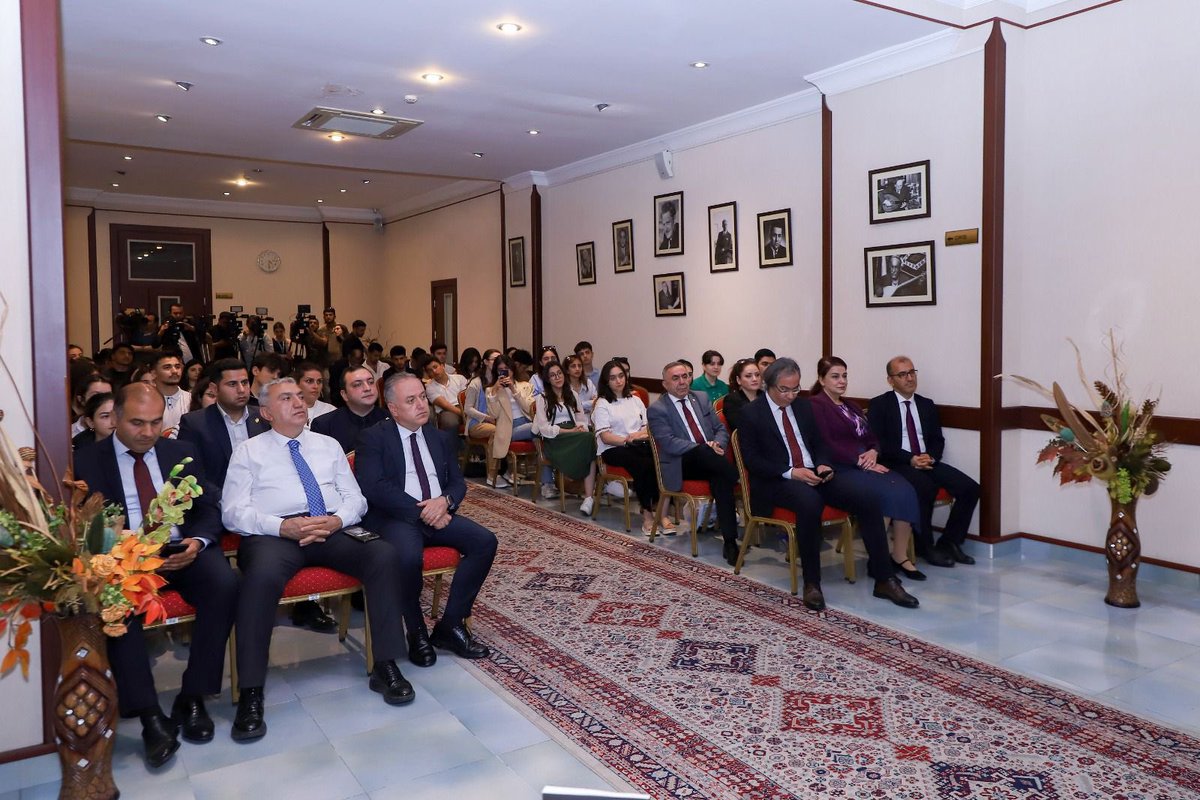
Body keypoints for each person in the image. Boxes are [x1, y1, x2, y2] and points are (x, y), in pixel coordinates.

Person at [222, 378, 414, 741]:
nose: (298, 402)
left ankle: (385, 665)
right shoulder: (249, 452)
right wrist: (282, 526)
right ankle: (250, 691)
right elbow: (233, 513)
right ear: (265, 412)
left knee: (382, 554)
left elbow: (355, 498)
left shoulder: (328, 446)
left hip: (330, 527)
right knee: (257, 579)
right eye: (286, 398)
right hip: (274, 535)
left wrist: (337, 519)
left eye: (300, 396)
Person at [73, 384, 237, 766]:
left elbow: (206, 509)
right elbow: (82, 527)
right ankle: (149, 716)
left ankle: (193, 697)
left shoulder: (180, 452)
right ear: (114, 417)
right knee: (115, 603)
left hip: (182, 551)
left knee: (226, 584)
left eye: (154, 423)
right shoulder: (86, 461)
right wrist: (126, 551)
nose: (147, 432)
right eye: (137, 423)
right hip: (125, 559)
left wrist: (198, 541)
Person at [736, 358, 918, 611]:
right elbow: (753, 461)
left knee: (868, 498)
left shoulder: (803, 407)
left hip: (814, 473)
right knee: (810, 502)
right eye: (784, 390)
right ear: (768, 386)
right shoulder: (751, 413)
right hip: (777, 479)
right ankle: (812, 583)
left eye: (796, 388)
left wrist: (822, 464)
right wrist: (791, 472)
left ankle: (884, 578)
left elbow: (820, 444)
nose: (790, 395)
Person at [355, 372, 497, 666]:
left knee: (484, 542)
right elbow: (374, 486)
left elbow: (457, 482)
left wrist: (444, 502)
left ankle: (451, 625)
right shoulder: (373, 437)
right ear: (393, 408)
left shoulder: (438, 437)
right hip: (397, 517)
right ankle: (416, 631)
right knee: (407, 558)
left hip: (438, 511)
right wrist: (423, 511)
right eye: (411, 400)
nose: (422, 405)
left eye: (422, 396)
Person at [808, 356, 927, 582]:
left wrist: (873, 452)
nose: (841, 381)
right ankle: (878, 561)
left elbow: (872, 437)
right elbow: (826, 443)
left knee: (905, 490)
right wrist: (859, 460)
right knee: (880, 495)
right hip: (841, 469)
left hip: (866, 465)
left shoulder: (850, 405)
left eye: (844, 376)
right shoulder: (816, 406)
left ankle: (899, 555)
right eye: (835, 376)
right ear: (822, 380)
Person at [868, 356, 979, 567]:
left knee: (970, 488)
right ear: (890, 380)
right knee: (924, 487)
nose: (909, 378)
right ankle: (925, 546)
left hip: (926, 460)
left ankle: (950, 542)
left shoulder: (926, 404)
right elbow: (879, 443)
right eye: (902, 374)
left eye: (912, 372)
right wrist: (910, 459)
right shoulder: (880, 405)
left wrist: (932, 456)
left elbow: (937, 439)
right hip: (898, 463)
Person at [648, 361, 741, 564]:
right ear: (664, 384)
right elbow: (669, 443)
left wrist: (716, 444)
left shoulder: (700, 397)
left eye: (685, 376)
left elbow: (720, 429)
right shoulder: (658, 409)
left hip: (711, 460)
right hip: (682, 463)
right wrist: (703, 448)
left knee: (721, 480)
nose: (682, 382)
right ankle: (738, 477)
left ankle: (730, 542)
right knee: (711, 459)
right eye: (676, 378)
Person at [593, 360, 673, 535]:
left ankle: (662, 511)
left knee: (662, 459)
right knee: (642, 465)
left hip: (638, 443)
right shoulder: (602, 403)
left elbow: (647, 426)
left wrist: (637, 436)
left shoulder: (635, 399)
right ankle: (647, 515)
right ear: (606, 381)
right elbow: (605, 436)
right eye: (613, 378)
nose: (618, 381)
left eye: (621, 376)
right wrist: (627, 440)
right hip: (613, 448)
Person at [177, 358, 270, 490]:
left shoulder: (265, 417)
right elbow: (190, 475)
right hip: (217, 503)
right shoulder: (195, 424)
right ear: (214, 389)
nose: (241, 389)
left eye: (244, 382)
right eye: (232, 384)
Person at [534, 361, 596, 510]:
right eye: (553, 375)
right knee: (590, 441)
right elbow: (544, 428)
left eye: (559, 373)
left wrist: (580, 428)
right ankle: (592, 491)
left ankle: (589, 498)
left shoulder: (572, 394)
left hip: (574, 433)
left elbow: (581, 419)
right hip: (555, 438)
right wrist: (568, 431)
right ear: (548, 379)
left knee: (591, 440)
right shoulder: (542, 398)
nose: (557, 377)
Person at [311, 364, 390, 453]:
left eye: (371, 382)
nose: (367, 388)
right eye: (357, 384)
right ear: (344, 394)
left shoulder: (393, 420)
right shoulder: (324, 425)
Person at [485, 353, 535, 487]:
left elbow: (529, 408)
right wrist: (495, 392)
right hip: (509, 428)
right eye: (500, 370)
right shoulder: (491, 390)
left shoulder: (524, 385)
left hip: (527, 422)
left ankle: (547, 480)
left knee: (540, 432)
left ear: (512, 369)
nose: (505, 373)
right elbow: (493, 414)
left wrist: (513, 389)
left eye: (507, 369)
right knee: (539, 428)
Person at [464, 348, 503, 483]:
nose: (497, 363)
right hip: (477, 423)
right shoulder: (476, 383)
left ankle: (508, 471)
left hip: (496, 420)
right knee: (496, 431)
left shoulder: (500, 380)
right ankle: (492, 474)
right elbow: (467, 409)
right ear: (486, 362)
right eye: (494, 360)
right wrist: (487, 418)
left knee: (509, 429)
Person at [421, 353, 468, 431]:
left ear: (442, 366)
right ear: (428, 374)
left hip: (464, 407)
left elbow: (468, 397)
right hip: (448, 411)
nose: (434, 371)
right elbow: (445, 405)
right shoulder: (430, 388)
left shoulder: (459, 378)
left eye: (435, 367)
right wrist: (464, 414)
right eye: (430, 370)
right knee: (449, 421)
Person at [152, 350, 189, 438]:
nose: (174, 371)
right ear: (153, 373)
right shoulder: (145, 402)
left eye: (177, 366)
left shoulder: (191, 399)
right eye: (167, 367)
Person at [722, 358, 762, 433]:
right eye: (748, 376)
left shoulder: (765, 396)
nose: (754, 379)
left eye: (757, 375)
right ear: (738, 380)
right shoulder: (731, 400)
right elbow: (740, 428)